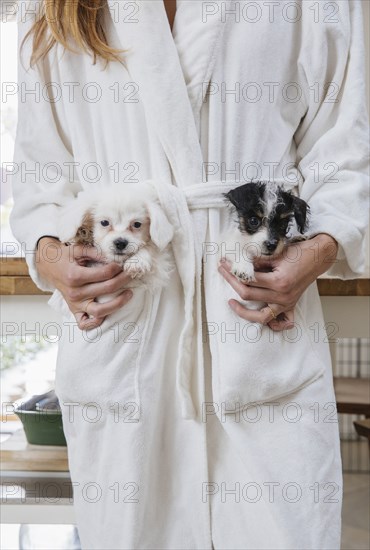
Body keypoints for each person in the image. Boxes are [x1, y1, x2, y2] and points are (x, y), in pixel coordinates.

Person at [10, 1, 369, 549]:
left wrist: (318, 249)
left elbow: (347, 149)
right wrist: (51, 254)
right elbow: (40, 174)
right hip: (123, 314)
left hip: (257, 318)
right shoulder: (52, 7)